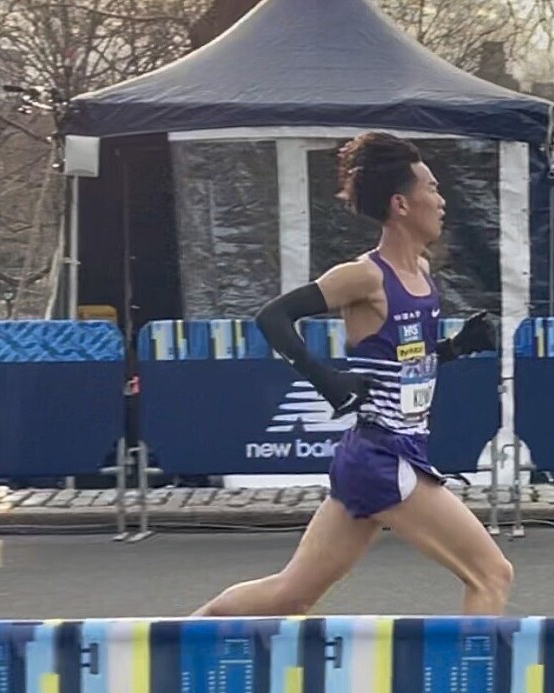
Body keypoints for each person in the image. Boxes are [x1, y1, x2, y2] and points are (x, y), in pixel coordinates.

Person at [192, 132, 513, 618]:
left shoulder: (422, 272)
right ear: (401, 204)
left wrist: (453, 348)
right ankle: (471, 665)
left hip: (377, 456)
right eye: (432, 188)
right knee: (492, 575)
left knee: (290, 596)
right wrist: (327, 379)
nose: (442, 200)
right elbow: (274, 317)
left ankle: (178, 640)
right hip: (384, 456)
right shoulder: (364, 276)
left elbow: (404, 363)